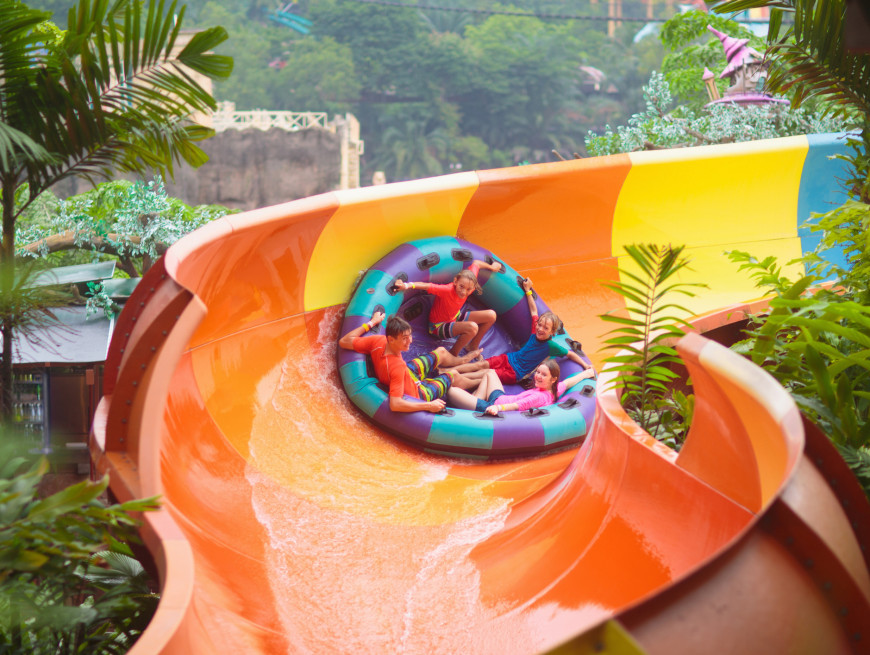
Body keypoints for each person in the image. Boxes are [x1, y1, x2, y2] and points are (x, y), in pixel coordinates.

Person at [447, 277, 594, 383]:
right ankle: (448, 371)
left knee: (485, 372)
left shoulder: (551, 346)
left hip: (515, 373)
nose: (540, 328)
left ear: (552, 333)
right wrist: (528, 291)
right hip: (509, 358)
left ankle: (452, 377)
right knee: (481, 364)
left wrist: (585, 365)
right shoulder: (535, 329)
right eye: (540, 325)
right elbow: (533, 310)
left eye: (545, 328)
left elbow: (570, 354)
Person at [338, 311, 483, 413]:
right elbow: (395, 404)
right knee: (453, 375)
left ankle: (462, 360)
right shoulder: (396, 367)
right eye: (404, 338)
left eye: (410, 336)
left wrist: (371, 323)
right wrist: (428, 406)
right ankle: (479, 381)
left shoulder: (378, 341)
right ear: (391, 339)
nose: (410, 341)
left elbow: (344, 341)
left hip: (409, 372)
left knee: (441, 352)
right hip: (420, 393)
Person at [392, 259, 503, 356]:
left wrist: (492, 267)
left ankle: (473, 346)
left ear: (473, 287)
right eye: (461, 286)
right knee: (472, 328)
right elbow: (426, 286)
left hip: (454, 317)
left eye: (469, 289)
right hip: (438, 326)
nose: (464, 292)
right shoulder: (447, 290)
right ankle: (453, 354)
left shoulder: (470, 281)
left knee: (491, 315)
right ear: (455, 281)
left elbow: (476, 264)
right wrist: (406, 285)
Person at [449, 359, 594, 414]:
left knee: (451, 391)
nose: (537, 376)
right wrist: (587, 373)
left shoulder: (539, 396)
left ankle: (473, 405)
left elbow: (517, 406)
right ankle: (473, 399)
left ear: (553, 379)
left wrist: (497, 408)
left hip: (492, 405)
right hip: (500, 397)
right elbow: (570, 382)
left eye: (543, 375)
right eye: (538, 372)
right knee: (490, 373)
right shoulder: (555, 388)